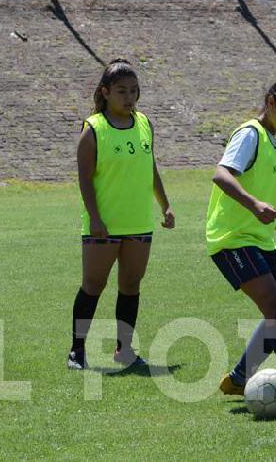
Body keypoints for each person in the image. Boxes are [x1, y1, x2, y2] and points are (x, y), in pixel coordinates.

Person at [206, 73, 276, 394]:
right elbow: (221, 174)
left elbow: (258, 187)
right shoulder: (249, 134)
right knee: (274, 310)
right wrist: (254, 205)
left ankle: (239, 378)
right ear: (271, 102)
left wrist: (275, 220)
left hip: (259, 237)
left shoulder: (270, 139)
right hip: (233, 238)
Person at [68, 58, 175, 370]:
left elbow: (150, 167)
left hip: (138, 222)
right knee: (93, 285)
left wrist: (165, 204)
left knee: (131, 286)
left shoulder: (144, 123)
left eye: (133, 91)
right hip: (104, 224)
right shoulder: (94, 129)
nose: (129, 97)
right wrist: (95, 217)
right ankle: (77, 351)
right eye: (121, 91)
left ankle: (124, 350)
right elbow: (84, 179)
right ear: (105, 92)